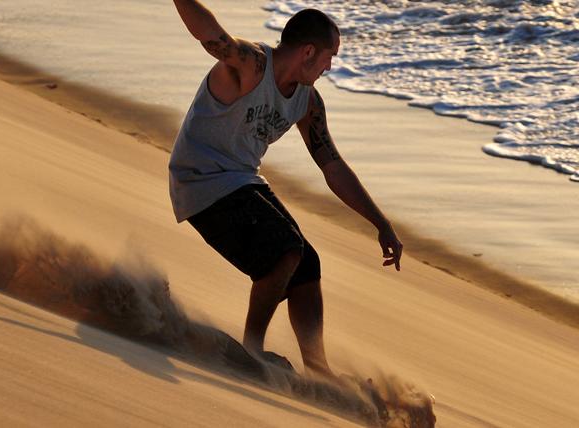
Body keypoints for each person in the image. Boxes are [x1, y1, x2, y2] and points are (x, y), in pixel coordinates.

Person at [168, 1, 403, 380]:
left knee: (306, 263)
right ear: (309, 51)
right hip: (200, 179)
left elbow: (333, 166)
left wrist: (381, 222)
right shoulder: (252, 66)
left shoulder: (307, 101)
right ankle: (251, 350)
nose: (330, 67)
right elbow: (211, 37)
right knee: (285, 251)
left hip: (240, 180)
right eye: (330, 57)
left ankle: (317, 367)